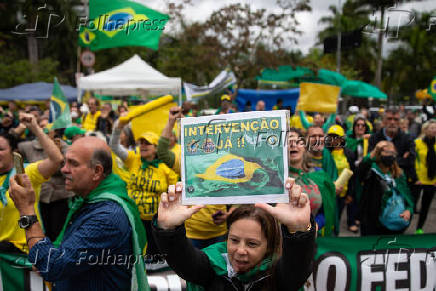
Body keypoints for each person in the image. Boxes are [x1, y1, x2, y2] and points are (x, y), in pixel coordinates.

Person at [8, 137, 149, 290]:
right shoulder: (89, 201)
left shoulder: (107, 217)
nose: (63, 169)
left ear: (97, 171)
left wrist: (27, 210)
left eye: (73, 163)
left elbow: (51, 266)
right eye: (65, 162)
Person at [152, 180, 315, 291]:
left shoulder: (278, 274)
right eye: (234, 240)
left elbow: (296, 269)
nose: (240, 250)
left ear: (268, 246)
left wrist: (298, 230)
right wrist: (168, 229)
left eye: (252, 244)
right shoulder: (211, 266)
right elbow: (185, 263)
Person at [110, 120, 178, 267]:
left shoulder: (166, 168)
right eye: (141, 143)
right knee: (135, 252)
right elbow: (114, 146)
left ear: (156, 148)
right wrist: (118, 128)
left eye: (147, 143)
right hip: (134, 217)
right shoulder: (133, 159)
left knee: (155, 254)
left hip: (156, 220)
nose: (143, 146)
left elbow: (174, 194)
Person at [0, 114, 63, 253]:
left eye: (1, 149)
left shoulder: (26, 173)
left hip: (24, 254)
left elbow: (56, 160)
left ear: (13, 152)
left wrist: (35, 128)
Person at [357, 141, 414, 236]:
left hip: (396, 223)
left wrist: (409, 210)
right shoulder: (371, 172)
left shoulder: (399, 174)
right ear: (379, 154)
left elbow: (408, 196)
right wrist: (375, 150)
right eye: (386, 152)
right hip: (373, 224)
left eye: (392, 153)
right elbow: (361, 169)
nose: (390, 155)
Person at [288, 128, 337, 236]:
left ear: (305, 147)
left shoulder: (319, 175)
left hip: (314, 238)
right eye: (287, 142)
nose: (293, 145)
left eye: (297, 142)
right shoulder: (274, 179)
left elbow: (327, 209)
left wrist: (315, 226)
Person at [368, 109, 416, 184]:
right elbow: (371, 159)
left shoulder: (407, 139)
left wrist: (382, 158)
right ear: (383, 121)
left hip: (401, 183)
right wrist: (400, 159)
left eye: (396, 119)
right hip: (378, 182)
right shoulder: (374, 138)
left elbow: (410, 161)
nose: (392, 122)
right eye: (389, 119)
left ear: (399, 122)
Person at [325, 125, 358, 233]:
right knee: (328, 218)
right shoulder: (325, 153)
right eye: (331, 137)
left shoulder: (349, 154)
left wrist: (350, 194)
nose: (333, 140)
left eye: (336, 137)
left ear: (342, 138)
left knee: (337, 218)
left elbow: (353, 175)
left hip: (343, 193)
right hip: (329, 193)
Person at [414, 120, 436, 234]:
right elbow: (413, 160)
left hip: (432, 180)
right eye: (432, 128)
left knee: (425, 206)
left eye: (435, 128)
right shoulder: (417, 143)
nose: (434, 130)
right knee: (412, 203)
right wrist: (415, 177)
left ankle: (419, 228)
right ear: (425, 130)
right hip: (419, 179)